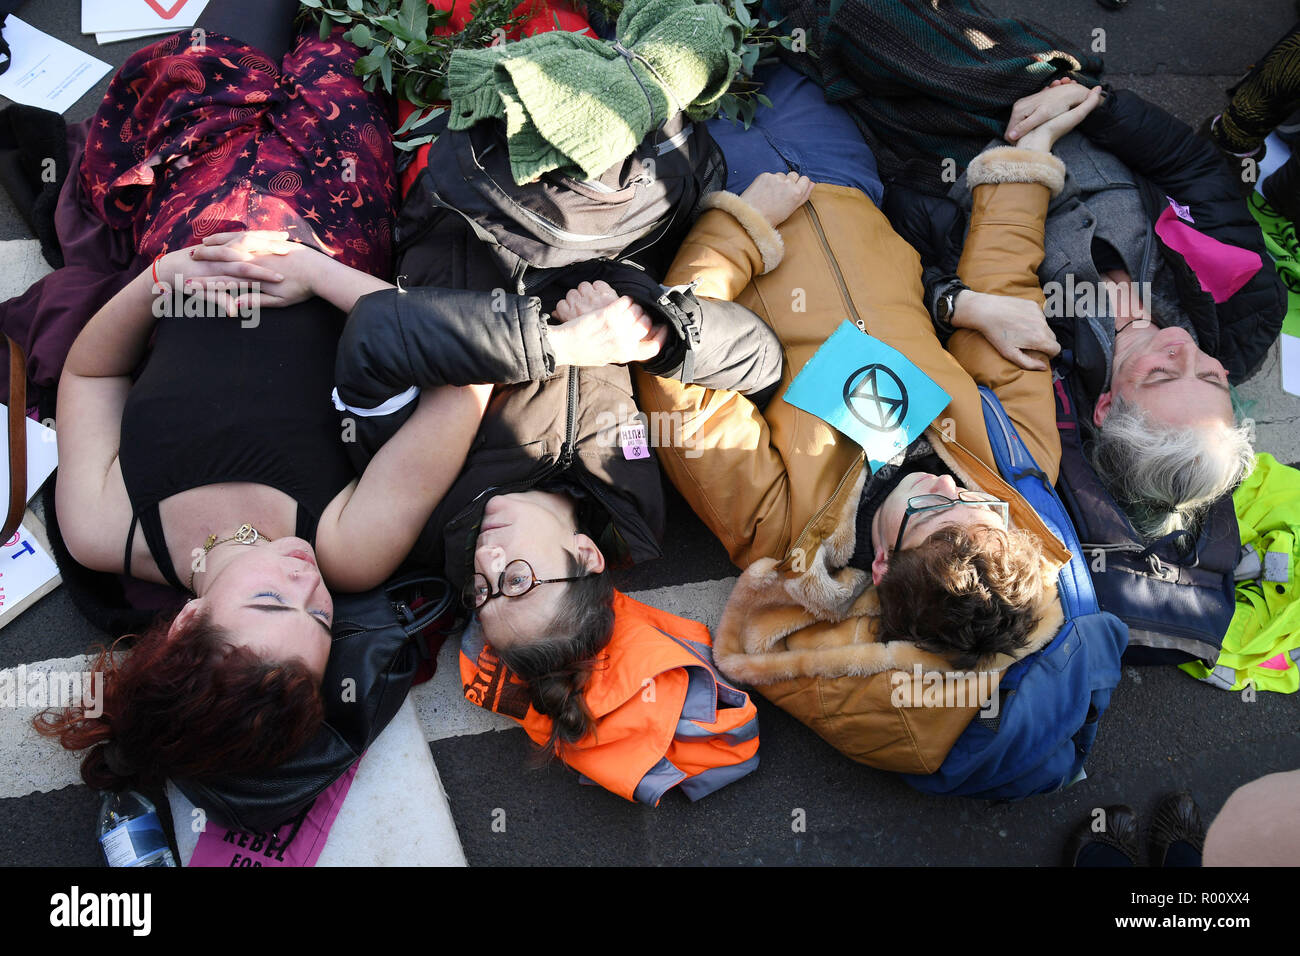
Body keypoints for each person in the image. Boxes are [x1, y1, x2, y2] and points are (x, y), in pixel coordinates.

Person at [36, 0, 495, 789]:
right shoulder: (347, 548)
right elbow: (467, 381)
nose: (307, 587)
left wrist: (156, 285)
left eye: (274, 606)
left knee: (237, 21)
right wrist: (320, 274)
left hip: (192, 203)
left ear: (185, 623)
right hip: (337, 205)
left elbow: (89, 374)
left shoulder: (103, 528)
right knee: (356, 23)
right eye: (321, 621)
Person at [628, 82, 1103, 772]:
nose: (955, 490)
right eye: (984, 511)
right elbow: (1009, 296)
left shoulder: (785, 527)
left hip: (721, 186)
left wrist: (738, 228)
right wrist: (1022, 169)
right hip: (849, 181)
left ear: (881, 565)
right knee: (759, 42)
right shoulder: (1015, 463)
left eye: (936, 514)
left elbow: (675, 370)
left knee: (639, 50)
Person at [931, 77, 1280, 539]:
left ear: (1106, 407)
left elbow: (912, 248)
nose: (1185, 351)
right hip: (1063, 98)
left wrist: (955, 303)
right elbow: (1195, 170)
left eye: (1161, 374)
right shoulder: (1247, 313)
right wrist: (1097, 105)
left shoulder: (1038, 375)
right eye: (1213, 377)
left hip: (944, 153)